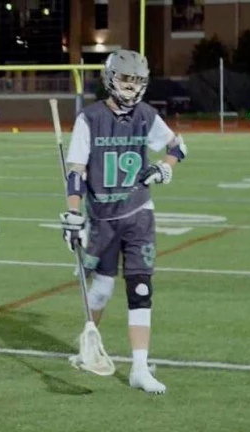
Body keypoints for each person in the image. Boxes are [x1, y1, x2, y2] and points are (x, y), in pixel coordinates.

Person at [58, 49, 187, 394]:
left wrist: (164, 168)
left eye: (137, 81)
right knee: (101, 289)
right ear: (110, 78)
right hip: (102, 217)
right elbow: (76, 173)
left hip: (138, 213)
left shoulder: (146, 115)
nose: (130, 87)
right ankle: (89, 344)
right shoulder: (90, 118)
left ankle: (140, 368)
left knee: (141, 287)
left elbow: (179, 148)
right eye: (125, 79)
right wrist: (73, 212)